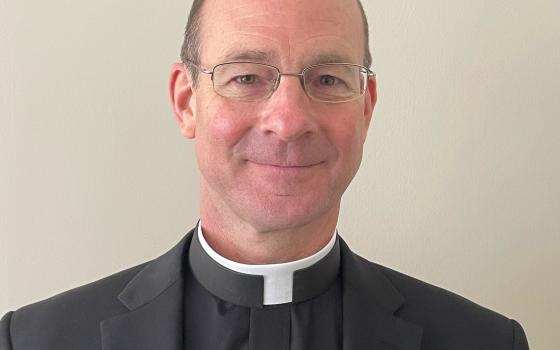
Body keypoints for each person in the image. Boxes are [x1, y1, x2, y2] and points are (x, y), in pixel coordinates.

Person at [0, 0, 530, 349]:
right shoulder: (35, 341)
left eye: (327, 78)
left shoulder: (483, 342)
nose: (289, 120)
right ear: (187, 103)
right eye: (247, 76)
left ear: (365, 108)